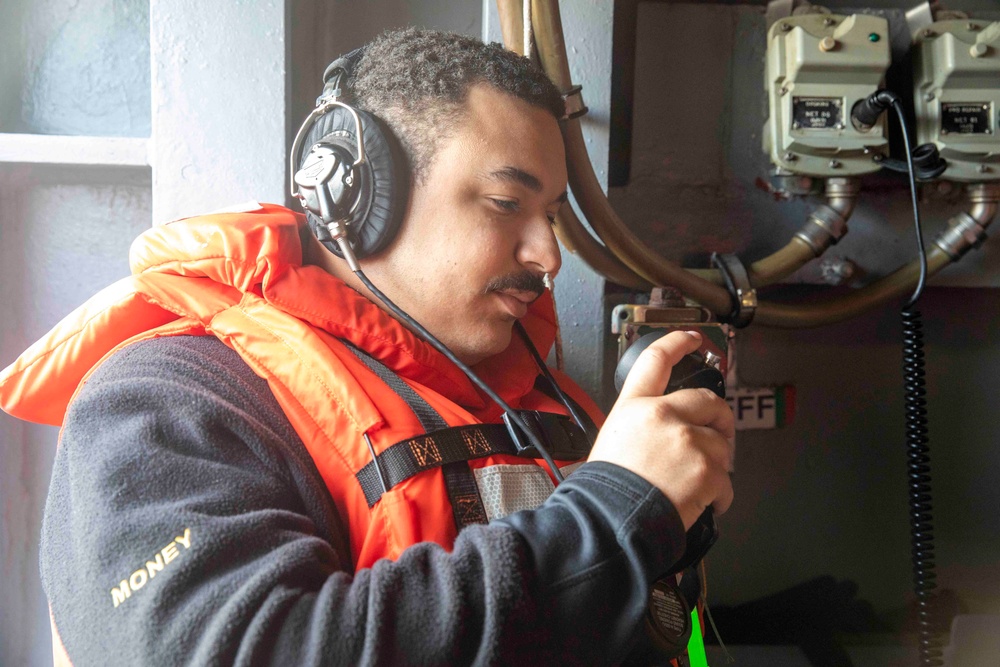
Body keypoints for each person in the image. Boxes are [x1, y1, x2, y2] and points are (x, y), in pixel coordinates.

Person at [0, 28, 734, 666]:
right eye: (508, 203)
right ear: (357, 193)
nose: (549, 255)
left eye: (551, 216)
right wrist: (612, 514)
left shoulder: (543, 394)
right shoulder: (169, 399)